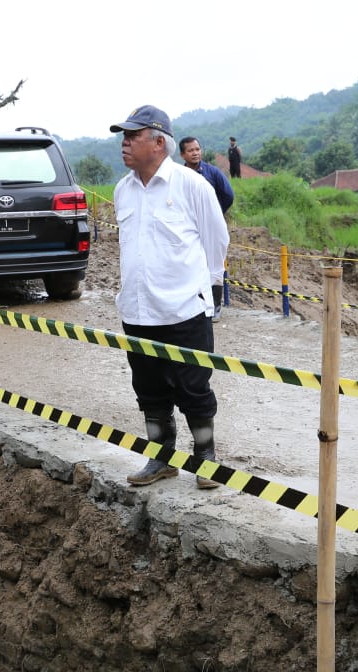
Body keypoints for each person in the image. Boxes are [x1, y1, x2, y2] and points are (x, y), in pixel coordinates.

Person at [110, 105, 229, 489]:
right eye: (123, 137)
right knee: (148, 390)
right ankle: (161, 458)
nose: (124, 144)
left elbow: (216, 243)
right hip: (138, 311)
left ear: (159, 143)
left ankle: (205, 457)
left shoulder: (192, 186)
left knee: (194, 386)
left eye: (133, 136)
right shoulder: (122, 190)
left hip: (183, 310)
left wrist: (207, 293)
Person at [179, 136, 233, 322]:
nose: (195, 153)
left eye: (197, 149)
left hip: (211, 228)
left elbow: (228, 195)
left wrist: (214, 215)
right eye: (190, 150)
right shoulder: (179, 175)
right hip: (188, 227)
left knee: (214, 264)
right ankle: (195, 304)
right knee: (191, 262)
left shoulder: (212, 173)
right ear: (182, 154)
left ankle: (216, 306)